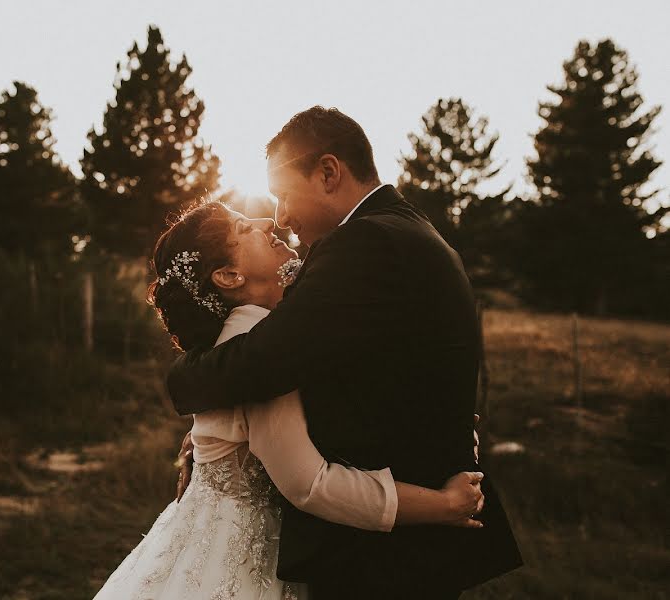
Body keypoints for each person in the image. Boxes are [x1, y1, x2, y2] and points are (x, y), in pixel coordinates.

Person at [167, 107, 523, 599]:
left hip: (388, 555)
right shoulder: (403, 228)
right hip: (399, 539)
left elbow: (263, 362)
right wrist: (221, 438)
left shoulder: (366, 244)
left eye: (284, 196)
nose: (281, 218)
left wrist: (184, 381)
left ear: (329, 173)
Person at [93, 201, 487, 600]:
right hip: (245, 561)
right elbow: (309, 483)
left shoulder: (267, 337)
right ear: (229, 275)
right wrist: (444, 505)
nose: (269, 221)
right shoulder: (257, 351)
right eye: (245, 227)